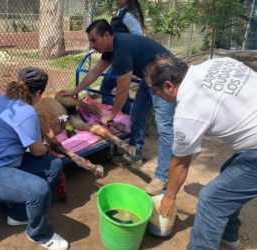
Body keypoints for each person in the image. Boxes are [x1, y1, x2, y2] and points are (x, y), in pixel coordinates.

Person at [144, 54, 257, 250]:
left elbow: (180, 163)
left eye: (155, 89)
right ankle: (229, 237)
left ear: (169, 85)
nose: (154, 95)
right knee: (229, 174)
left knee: (212, 199)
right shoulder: (220, 62)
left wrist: (169, 196)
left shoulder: (188, 110)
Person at [61, 20, 177, 195]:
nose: (92, 46)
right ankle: (134, 155)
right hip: (149, 78)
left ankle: (163, 177)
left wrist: (112, 115)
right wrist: (74, 90)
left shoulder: (121, 52)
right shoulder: (111, 48)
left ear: (107, 35)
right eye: (90, 41)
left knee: (166, 128)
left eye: (94, 40)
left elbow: (122, 91)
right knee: (137, 116)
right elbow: (94, 72)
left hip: (167, 79)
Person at [0, 67, 69, 250]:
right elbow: (37, 151)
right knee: (40, 190)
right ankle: (40, 234)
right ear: (38, 93)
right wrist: (45, 146)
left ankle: (18, 215)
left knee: (54, 164)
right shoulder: (27, 112)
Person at [100, 0, 146, 115]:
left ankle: (112, 118)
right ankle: (124, 117)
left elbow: (138, 38)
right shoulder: (124, 12)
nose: (116, 0)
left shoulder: (128, 14)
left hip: (123, 59)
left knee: (106, 89)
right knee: (122, 90)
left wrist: (128, 56)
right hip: (118, 59)